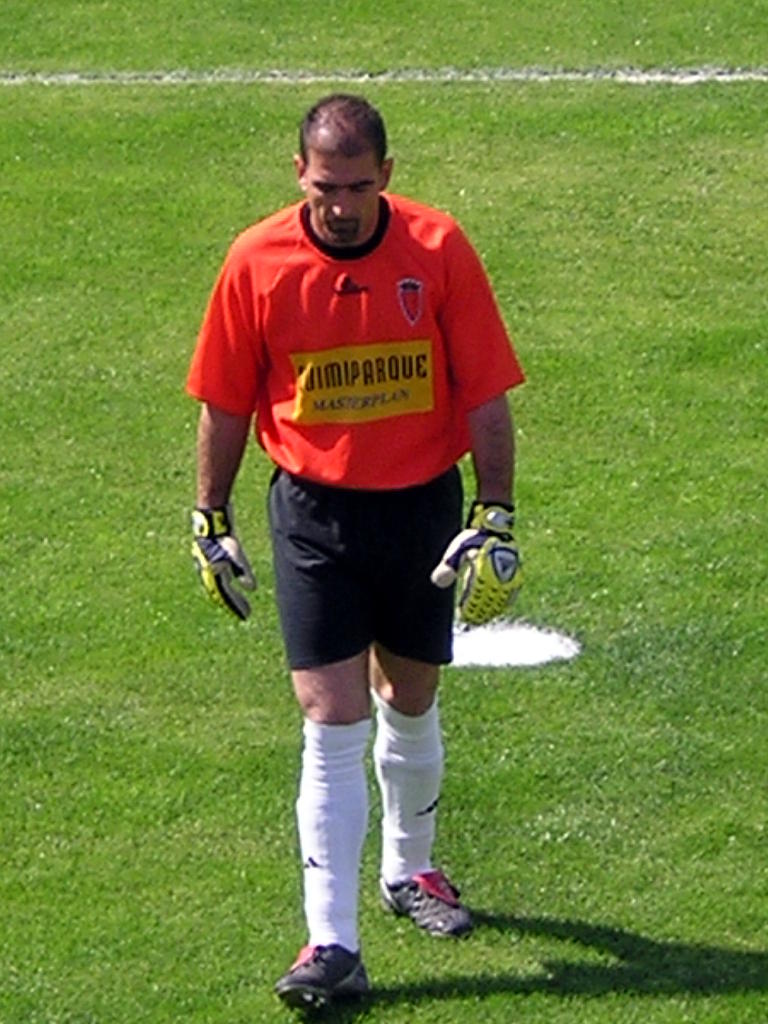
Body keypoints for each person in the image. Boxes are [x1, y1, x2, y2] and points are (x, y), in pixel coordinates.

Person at [186, 94, 525, 1010]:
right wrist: (210, 516)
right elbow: (224, 398)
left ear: (388, 176)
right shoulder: (256, 261)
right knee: (330, 716)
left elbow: (485, 389)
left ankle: (411, 871)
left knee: (409, 696)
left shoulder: (438, 247)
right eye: (325, 187)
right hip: (313, 515)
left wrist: (495, 512)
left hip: (422, 507)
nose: (340, 205)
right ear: (299, 173)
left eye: (359, 187)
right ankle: (331, 942)